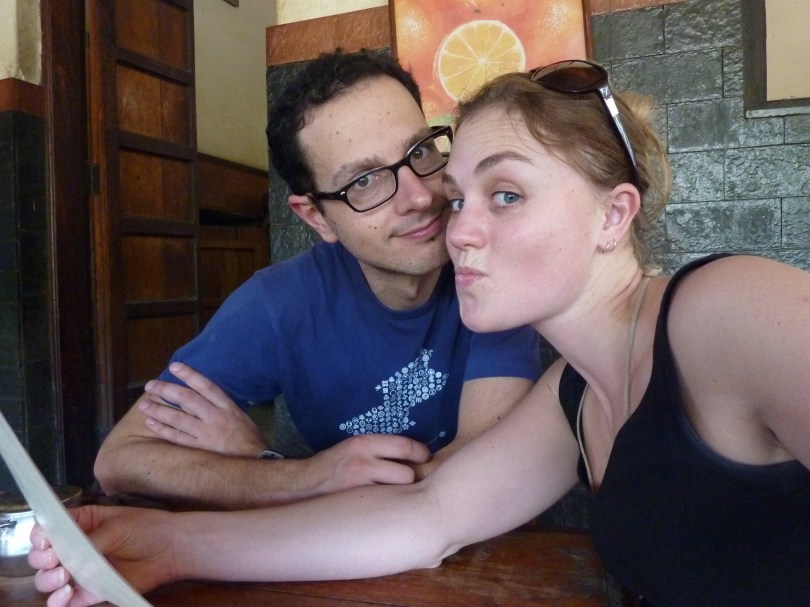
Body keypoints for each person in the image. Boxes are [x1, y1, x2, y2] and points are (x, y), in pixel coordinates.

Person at [31, 60, 810, 606]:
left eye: (506, 194)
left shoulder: (725, 312)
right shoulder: (571, 395)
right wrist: (168, 545)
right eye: (462, 194)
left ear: (614, 214)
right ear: (315, 216)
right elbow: (423, 517)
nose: (452, 224)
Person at [91, 49, 541, 510]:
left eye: (420, 151)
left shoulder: (487, 266)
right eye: (364, 181)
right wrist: (302, 475)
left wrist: (271, 466)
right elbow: (119, 460)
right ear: (316, 217)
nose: (420, 196)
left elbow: (482, 472)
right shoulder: (280, 303)